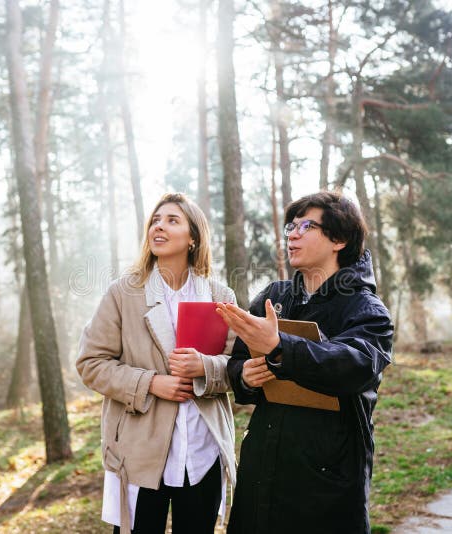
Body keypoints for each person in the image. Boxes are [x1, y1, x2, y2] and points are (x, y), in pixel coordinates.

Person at [216, 191, 393, 534]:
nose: (292, 235)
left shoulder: (366, 310)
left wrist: (280, 346)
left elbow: (353, 366)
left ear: (339, 239)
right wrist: (245, 375)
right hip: (262, 466)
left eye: (306, 226)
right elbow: (237, 361)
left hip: (327, 477)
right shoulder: (274, 297)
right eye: (291, 227)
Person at [75, 193, 237, 534]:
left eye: (172, 220)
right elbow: (91, 362)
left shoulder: (221, 297)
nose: (159, 226)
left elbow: (236, 368)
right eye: (155, 220)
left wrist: (204, 368)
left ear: (193, 237)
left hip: (203, 449)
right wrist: (150, 383)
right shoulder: (123, 293)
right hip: (140, 452)